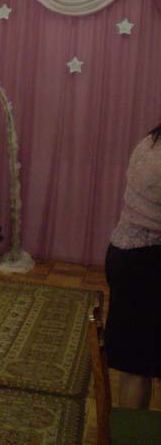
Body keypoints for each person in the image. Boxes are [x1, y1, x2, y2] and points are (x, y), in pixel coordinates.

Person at [104, 123, 161, 409]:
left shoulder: (150, 141)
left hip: (126, 256)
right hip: (145, 264)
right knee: (139, 365)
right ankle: (132, 429)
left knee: (135, 366)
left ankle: (127, 428)